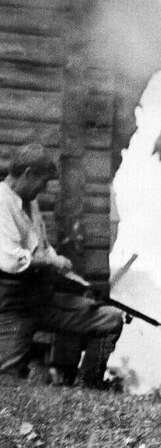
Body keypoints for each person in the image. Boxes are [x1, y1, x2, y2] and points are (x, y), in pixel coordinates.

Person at [0, 143, 123, 387]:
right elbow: (11, 260)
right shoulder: (2, 202)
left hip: (42, 298)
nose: (44, 188)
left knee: (110, 319)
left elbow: (42, 247)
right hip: (12, 306)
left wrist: (75, 281)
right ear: (28, 174)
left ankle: (89, 384)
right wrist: (52, 261)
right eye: (43, 182)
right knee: (8, 381)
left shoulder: (29, 202)